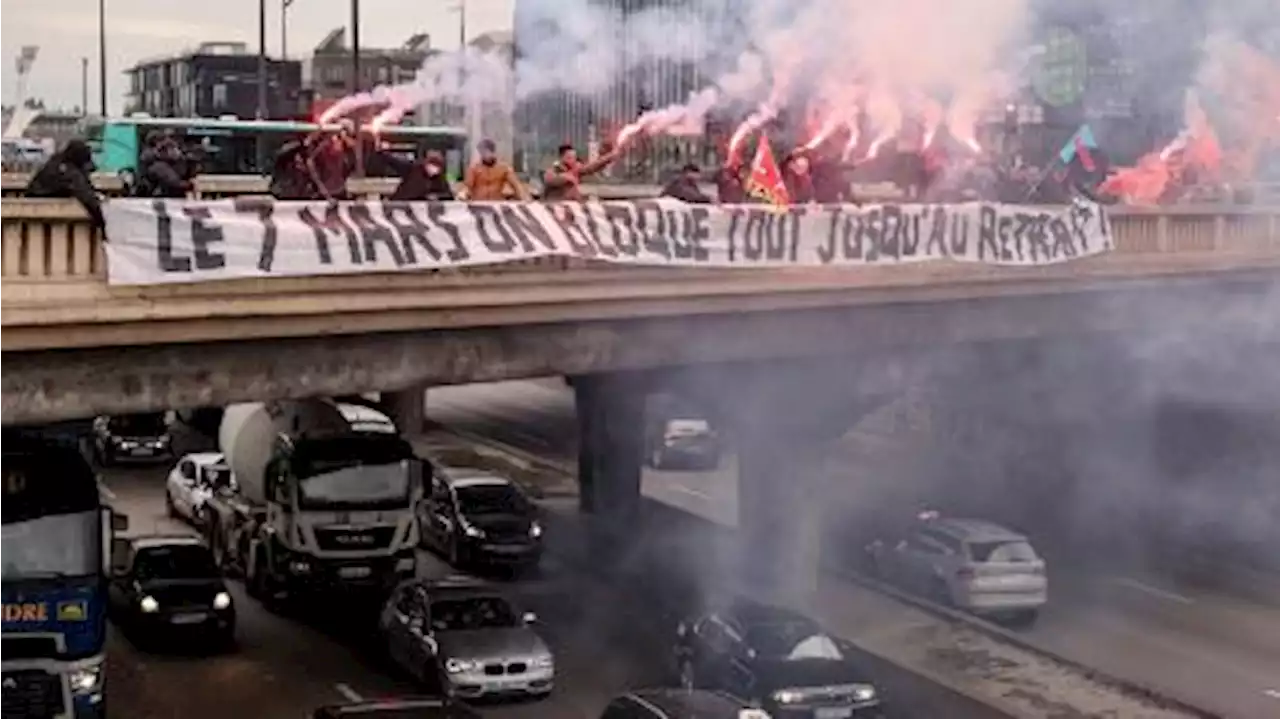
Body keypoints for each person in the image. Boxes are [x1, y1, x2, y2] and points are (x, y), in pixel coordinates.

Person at [26, 139, 105, 229]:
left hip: (34, 207)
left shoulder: (56, 161)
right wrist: (102, 221)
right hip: (46, 212)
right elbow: (86, 195)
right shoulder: (70, 172)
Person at [542, 142, 619, 201]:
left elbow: (591, 167)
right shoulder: (554, 169)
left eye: (574, 157)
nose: (573, 160)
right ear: (562, 158)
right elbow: (550, 179)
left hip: (573, 205)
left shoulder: (576, 168)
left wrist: (609, 156)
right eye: (569, 157)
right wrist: (566, 177)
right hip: (556, 205)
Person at [306, 121, 358, 201]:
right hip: (325, 190)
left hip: (339, 190)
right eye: (351, 135)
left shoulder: (348, 150)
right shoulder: (327, 144)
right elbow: (310, 162)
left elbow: (351, 167)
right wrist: (320, 186)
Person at [464, 139, 529, 201]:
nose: (482, 155)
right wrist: (463, 195)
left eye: (484, 152)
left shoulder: (504, 168)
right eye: (481, 152)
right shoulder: (474, 168)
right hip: (478, 204)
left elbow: (516, 186)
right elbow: (467, 187)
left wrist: (525, 198)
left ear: (492, 151)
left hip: (496, 203)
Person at [138, 131, 192, 198]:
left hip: (174, 189)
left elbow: (182, 169)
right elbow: (147, 158)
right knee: (160, 167)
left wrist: (178, 157)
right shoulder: (152, 158)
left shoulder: (174, 155)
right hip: (159, 191)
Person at [386, 149, 455, 201]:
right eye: (431, 164)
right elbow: (395, 162)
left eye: (437, 166)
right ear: (426, 164)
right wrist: (382, 151)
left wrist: (436, 196)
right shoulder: (413, 169)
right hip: (402, 202)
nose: (433, 169)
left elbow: (449, 195)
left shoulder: (440, 179)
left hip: (421, 207)